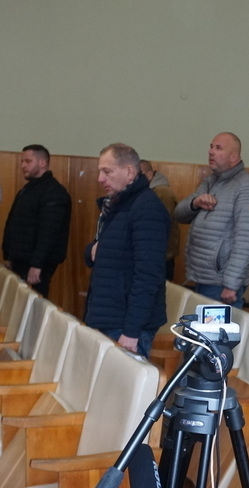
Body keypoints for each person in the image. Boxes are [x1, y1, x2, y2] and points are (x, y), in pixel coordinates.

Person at [84, 143, 169, 357]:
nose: (100, 179)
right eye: (100, 172)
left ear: (130, 172)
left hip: (126, 325)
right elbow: (105, 248)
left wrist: (132, 331)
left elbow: (148, 275)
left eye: (107, 172)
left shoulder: (147, 208)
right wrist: (91, 252)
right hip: (108, 315)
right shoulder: (117, 204)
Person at [175, 132, 249, 307]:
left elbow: (248, 239)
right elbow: (179, 214)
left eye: (218, 148)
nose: (211, 151)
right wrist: (195, 203)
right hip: (203, 278)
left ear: (234, 157)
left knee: (215, 327)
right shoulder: (210, 182)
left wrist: (231, 284)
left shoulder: (246, 187)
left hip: (221, 284)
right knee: (202, 326)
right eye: (211, 147)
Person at [1, 144, 71, 297]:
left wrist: (37, 264)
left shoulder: (54, 193)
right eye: (22, 161)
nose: (23, 166)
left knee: (34, 302)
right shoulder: (27, 190)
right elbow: (12, 223)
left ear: (42, 163)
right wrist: (8, 255)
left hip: (37, 263)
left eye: (28, 161)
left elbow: (49, 232)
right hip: (20, 259)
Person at [140, 159, 180, 281]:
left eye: (139, 174)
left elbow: (160, 226)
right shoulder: (150, 191)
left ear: (149, 174)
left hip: (161, 256)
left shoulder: (162, 192)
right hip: (156, 254)